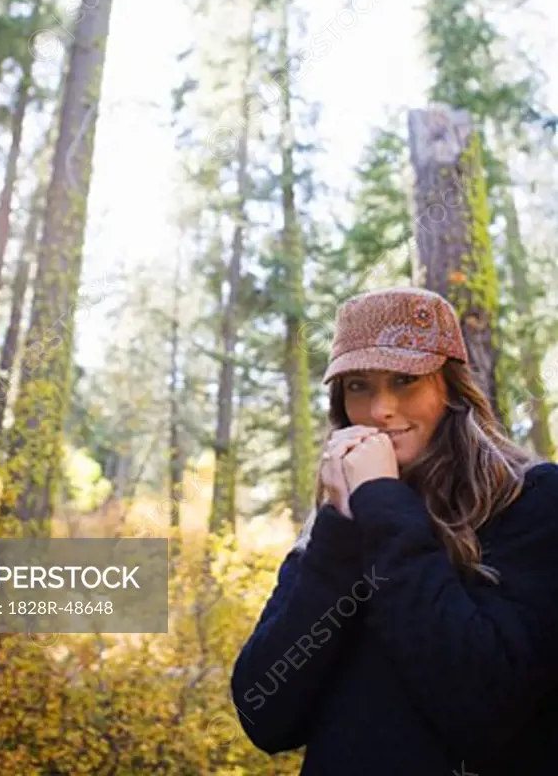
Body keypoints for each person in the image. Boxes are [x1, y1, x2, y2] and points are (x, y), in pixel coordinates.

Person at [230, 287, 558, 776]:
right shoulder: (337, 525)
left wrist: (383, 502)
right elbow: (265, 715)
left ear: (450, 388)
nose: (381, 409)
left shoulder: (531, 500)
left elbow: (484, 709)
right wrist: (338, 534)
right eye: (358, 386)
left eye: (405, 380)